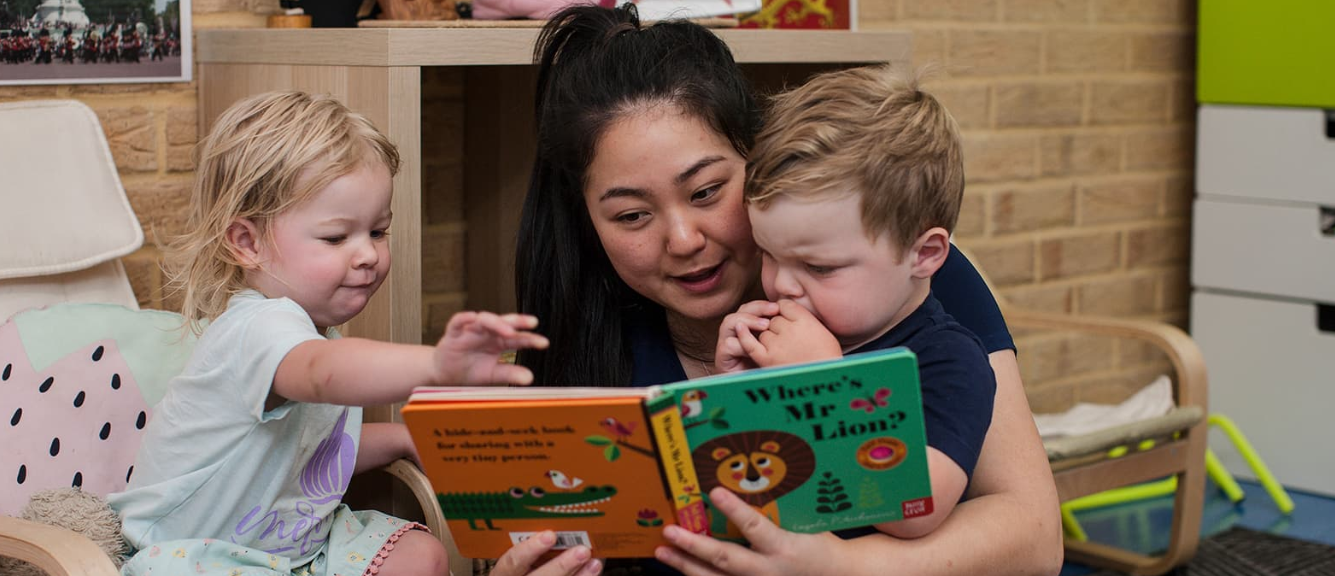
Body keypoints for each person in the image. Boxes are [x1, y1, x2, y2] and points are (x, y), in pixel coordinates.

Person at [500, 5, 1063, 576]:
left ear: (757, 161)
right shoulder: (584, 313)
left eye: (706, 192)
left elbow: (1029, 535)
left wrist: (840, 560)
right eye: (631, 215)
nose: (683, 239)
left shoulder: (902, 286)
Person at [108, 91, 549, 576]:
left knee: (421, 556)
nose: (367, 255)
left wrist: (401, 439)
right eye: (337, 238)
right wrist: (437, 366)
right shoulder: (259, 327)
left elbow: (302, 452)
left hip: (290, 554)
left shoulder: (311, 335)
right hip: (193, 559)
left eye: (378, 232)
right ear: (247, 243)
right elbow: (323, 374)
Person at [714, 64, 994, 541]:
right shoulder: (791, 337)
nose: (783, 286)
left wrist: (825, 388)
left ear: (922, 254)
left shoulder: (949, 361)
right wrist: (735, 396)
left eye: (820, 268)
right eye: (768, 254)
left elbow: (915, 510)